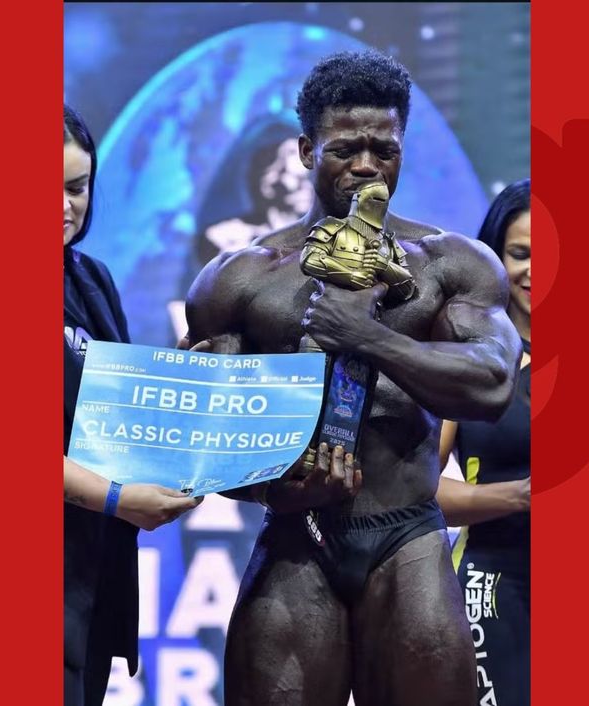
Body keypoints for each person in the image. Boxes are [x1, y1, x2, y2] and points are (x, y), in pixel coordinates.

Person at [184, 51, 522, 706]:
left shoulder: (452, 264)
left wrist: (366, 336)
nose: (366, 166)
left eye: (383, 150)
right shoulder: (240, 278)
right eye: (345, 150)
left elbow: (490, 386)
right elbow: (202, 434)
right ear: (306, 150)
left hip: (407, 532)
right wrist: (270, 489)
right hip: (296, 535)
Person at [62, 104, 203, 706]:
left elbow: (114, 416)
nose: (64, 207)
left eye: (76, 188)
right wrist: (118, 499)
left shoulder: (90, 279)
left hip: (91, 576)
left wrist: (183, 375)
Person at [437, 178, 531, 706]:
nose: (537, 271)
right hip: (495, 582)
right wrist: (521, 496)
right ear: (493, 259)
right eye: (521, 254)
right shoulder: (467, 357)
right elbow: (415, 494)